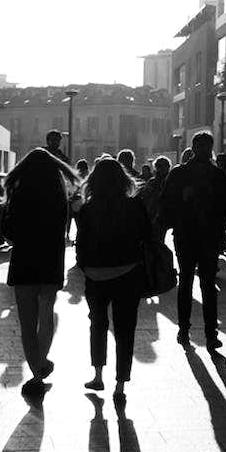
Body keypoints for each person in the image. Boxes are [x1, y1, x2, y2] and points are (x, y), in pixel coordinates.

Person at [1, 148, 79, 395]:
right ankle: (39, 367)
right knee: (46, 316)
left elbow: (7, 231)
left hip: (24, 262)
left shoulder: (18, 193)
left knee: (26, 322)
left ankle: (37, 370)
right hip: (50, 262)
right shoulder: (58, 196)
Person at [76, 156, 152, 403]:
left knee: (97, 324)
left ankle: (98, 375)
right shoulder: (134, 205)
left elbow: (82, 244)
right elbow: (147, 235)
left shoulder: (88, 209)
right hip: (127, 273)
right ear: (122, 180)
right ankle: (120, 384)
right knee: (125, 329)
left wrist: (85, 267)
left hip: (96, 275)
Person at [161, 131, 226, 350]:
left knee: (205, 284)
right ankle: (185, 328)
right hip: (187, 235)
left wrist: (220, 230)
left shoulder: (216, 175)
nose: (203, 150)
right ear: (194, 148)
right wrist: (183, 199)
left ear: (210, 148)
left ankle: (210, 332)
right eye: (199, 146)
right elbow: (166, 202)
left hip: (205, 236)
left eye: (206, 146)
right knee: (189, 282)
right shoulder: (181, 174)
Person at [139, 155, 172, 240]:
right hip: (154, 213)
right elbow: (145, 196)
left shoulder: (169, 181)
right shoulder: (153, 182)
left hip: (161, 214)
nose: (161, 169)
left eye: (164, 166)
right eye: (159, 166)